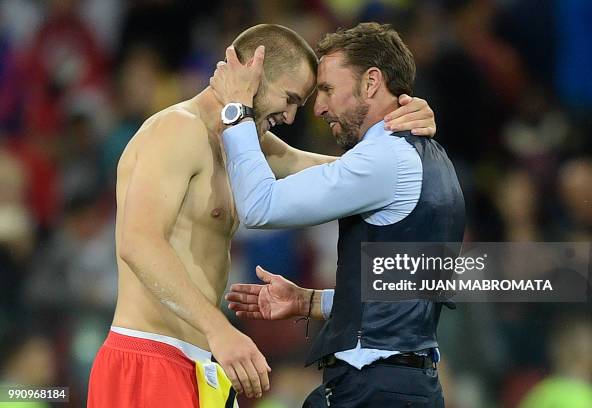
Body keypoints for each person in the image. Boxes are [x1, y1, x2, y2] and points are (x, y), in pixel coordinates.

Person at [87, 24, 438, 408]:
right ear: (255, 72)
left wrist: (404, 136)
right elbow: (137, 243)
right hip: (148, 357)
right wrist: (220, 329)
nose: (290, 117)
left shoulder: (246, 143)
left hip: (203, 363)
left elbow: (347, 174)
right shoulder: (176, 129)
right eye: (289, 99)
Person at [214, 22, 465, 407]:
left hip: (374, 388)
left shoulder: (385, 160)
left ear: (371, 83)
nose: (318, 107)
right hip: (399, 386)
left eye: (328, 89)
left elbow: (259, 206)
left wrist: (237, 112)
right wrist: (309, 302)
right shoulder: (428, 157)